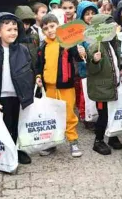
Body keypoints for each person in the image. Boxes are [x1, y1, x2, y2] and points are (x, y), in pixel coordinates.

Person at [0, 12, 36, 166]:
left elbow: (28, 71)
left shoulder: (22, 50)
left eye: (15, 29)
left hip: (18, 96)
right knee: (5, 125)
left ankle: (17, 149)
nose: (13, 32)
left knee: (19, 124)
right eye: (9, 29)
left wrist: (33, 87)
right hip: (2, 97)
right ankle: (6, 151)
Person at [37, 13, 87, 157]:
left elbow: (77, 57)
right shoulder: (43, 46)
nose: (50, 30)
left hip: (66, 86)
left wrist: (80, 52)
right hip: (49, 87)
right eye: (46, 28)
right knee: (51, 116)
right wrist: (38, 76)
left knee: (68, 114)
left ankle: (73, 142)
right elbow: (39, 65)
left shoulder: (66, 42)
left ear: (59, 26)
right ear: (42, 31)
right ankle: (52, 143)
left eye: (52, 26)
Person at [87, 13, 122, 155]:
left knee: (113, 112)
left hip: (112, 85)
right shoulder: (95, 47)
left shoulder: (111, 42)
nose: (113, 28)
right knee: (103, 115)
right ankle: (98, 140)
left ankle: (112, 135)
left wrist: (120, 69)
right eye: (109, 26)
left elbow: (115, 60)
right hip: (101, 88)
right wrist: (95, 61)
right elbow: (91, 70)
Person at [75, 1, 99, 123]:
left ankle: (95, 114)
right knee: (85, 94)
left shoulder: (98, 29)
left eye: (93, 13)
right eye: (87, 14)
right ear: (81, 16)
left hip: (98, 67)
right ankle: (85, 115)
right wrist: (80, 52)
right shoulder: (79, 32)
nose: (90, 16)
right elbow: (78, 49)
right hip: (85, 68)